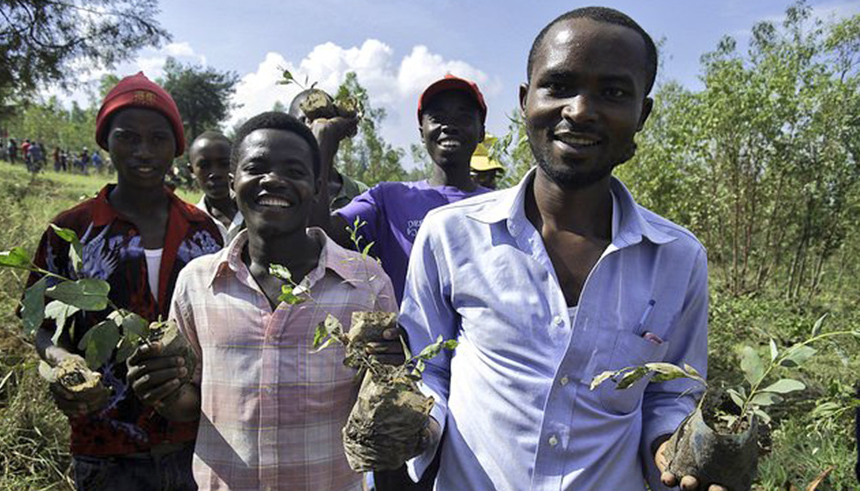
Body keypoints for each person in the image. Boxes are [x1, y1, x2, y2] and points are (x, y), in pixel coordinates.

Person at [400, 8, 718, 491]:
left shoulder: (678, 258)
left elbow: (671, 393)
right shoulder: (449, 236)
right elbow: (428, 371)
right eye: (560, 85)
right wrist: (413, 426)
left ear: (642, 114)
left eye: (612, 93)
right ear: (527, 100)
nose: (580, 110)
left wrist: (674, 452)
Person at [126, 111, 403, 490]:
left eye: (295, 171)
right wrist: (161, 389)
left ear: (318, 186)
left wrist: (391, 370)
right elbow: (190, 402)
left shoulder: (366, 281)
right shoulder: (197, 282)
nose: (274, 179)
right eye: (256, 167)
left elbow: (381, 400)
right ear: (232, 181)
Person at [26, 72, 223, 491]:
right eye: (127, 137)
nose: (143, 152)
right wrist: (66, 364)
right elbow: (39, 328)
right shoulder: (72, 231)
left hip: (197, 442)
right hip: (106, 443)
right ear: (106, 142)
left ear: (176, 148)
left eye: (158, 139)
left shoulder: (202, 231)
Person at [314, 75, 491, 304]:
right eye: (437, 118)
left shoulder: (502, 207)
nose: (449, 126)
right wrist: (323, 144)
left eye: (463, 117)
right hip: (405, 341)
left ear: (481, 132)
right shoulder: (387, 200)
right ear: (421, 131)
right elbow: (318, 233)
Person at [288, 89, 370, 211]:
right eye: (303, 123)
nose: (316, 130)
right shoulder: (279, 188)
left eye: (324, 122)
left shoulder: (359, 194)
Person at [186, 130, 244, 244]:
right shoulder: (187, 223)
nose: (215, 174)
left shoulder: (255, 216)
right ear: (192, 171)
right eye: (204, 166)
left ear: (236, 165)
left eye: (224, 164)